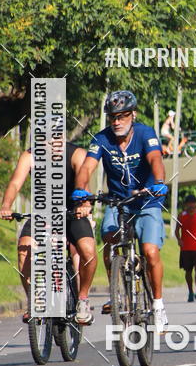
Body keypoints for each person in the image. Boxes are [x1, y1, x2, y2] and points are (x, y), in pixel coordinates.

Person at [72, 90, 169, 331]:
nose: (117, 122)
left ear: (133, 115)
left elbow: (156, 159)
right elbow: (87, 167)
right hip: (118, 201)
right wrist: (80, 190)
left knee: (149, 250)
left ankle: (158, 306)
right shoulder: (102, 139)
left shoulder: (146, 133)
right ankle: (117, 288)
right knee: (108, 237)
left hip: (147, 199)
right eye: (112, 117)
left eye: (122, 116)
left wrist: (159, 182)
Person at [0, 127, 97, 324]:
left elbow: (83, 183)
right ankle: (33, 301)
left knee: (87, 251)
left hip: (73, 211)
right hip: (43, 213)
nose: (51, 143)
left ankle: (83, 299)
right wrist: (6, 206)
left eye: (56, 137)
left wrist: (85, 204)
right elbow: (15, 183)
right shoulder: (30, 156)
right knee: (24, 249)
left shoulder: (76, 154)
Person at [176, 194, 196, 302]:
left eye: (193, 205)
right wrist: (179, 240)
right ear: (186, 205)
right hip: (186, 248)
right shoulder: (181, 215)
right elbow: (176, 230)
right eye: (189, 205)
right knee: (188, 270)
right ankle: (190, 292)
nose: (192, 207)